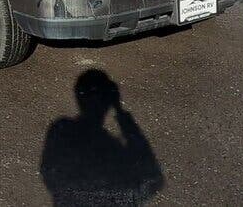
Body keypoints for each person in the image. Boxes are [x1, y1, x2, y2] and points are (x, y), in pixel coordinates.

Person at [39, 69, 163, 205]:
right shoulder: (111, 149)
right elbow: (152, 180)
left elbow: (48, 171)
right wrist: (121, 114)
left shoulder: (61, 129)